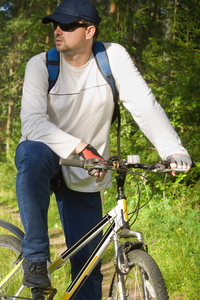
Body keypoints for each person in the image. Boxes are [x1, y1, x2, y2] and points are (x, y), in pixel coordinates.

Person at [15, 0, 192, 299]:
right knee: (32, 152)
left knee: (89, 268)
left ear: (89, 31)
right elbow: (32, 123)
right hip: (46, 159)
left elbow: (144, 105)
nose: (58, 31)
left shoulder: (113, 58)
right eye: (55, 24)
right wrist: (82, 147)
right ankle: (34, 259)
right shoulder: (41, 65)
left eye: (68, 26)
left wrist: (173, 149)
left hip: (85, 170)